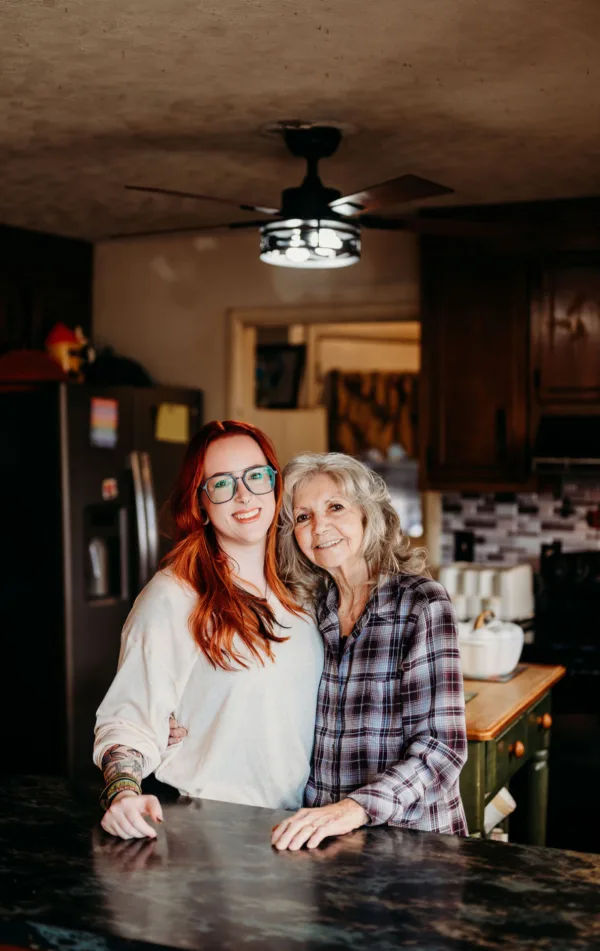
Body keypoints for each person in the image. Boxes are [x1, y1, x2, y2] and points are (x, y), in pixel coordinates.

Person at [94, 420, 324, 840]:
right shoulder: (174, 596)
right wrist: (123, 792)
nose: (243, 495)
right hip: (203, 828)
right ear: (200, 503)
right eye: (221, 484)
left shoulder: (301, 589)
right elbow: (128, 720)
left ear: (275, 484)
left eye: (255, 476)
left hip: (288, 828)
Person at [269, 452, 468, 850]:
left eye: (335, 507)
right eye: (303, 517)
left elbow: (441, 749)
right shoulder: (309, 610)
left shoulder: (421, 603)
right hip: (325, 840)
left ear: (367, 514)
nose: (319, 527)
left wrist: (355, 808)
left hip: (412, 844)